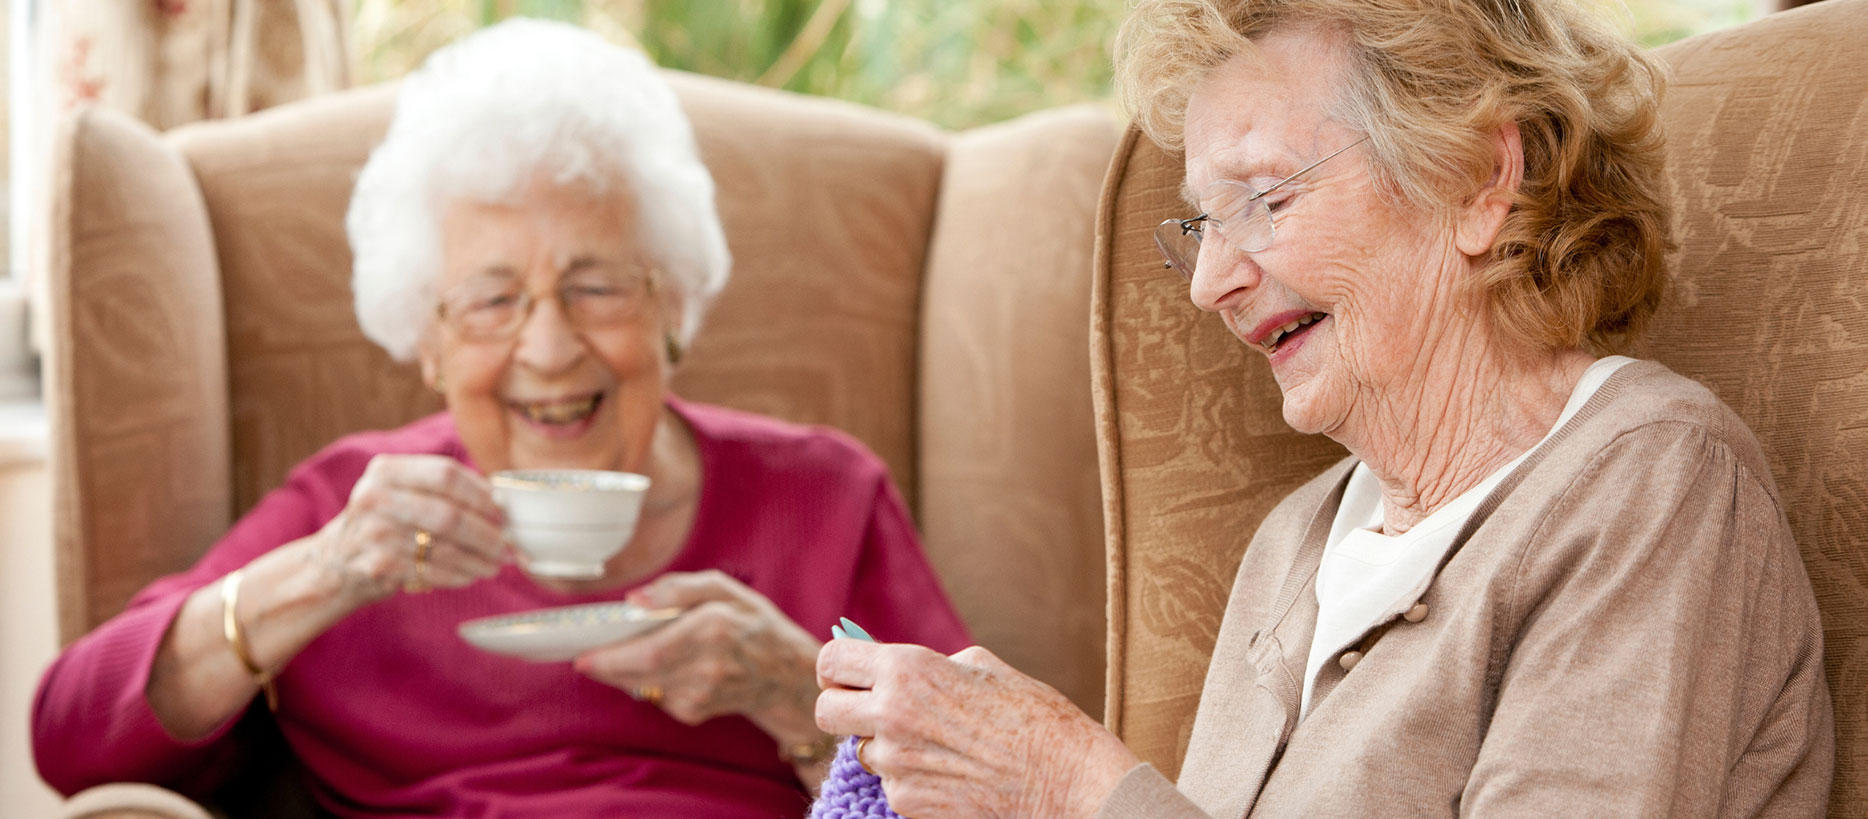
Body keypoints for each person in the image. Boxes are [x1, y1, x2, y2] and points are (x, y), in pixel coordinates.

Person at [813, 0, 1835, 815]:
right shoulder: (1294, 541)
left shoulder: (1649, 487)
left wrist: (1067, 787)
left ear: (1480, 179)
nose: (1208, 281)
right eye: (1199, 224)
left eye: (1264, 198)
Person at [34, 19, 969, 817]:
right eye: (490, 300)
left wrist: (790, 692)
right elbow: (72, 737)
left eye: (597, 285)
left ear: (674, 307)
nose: (551, 346)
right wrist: (323, 571)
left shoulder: (826, 493)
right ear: (427, 341)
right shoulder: (351, 508)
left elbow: (980, 789)